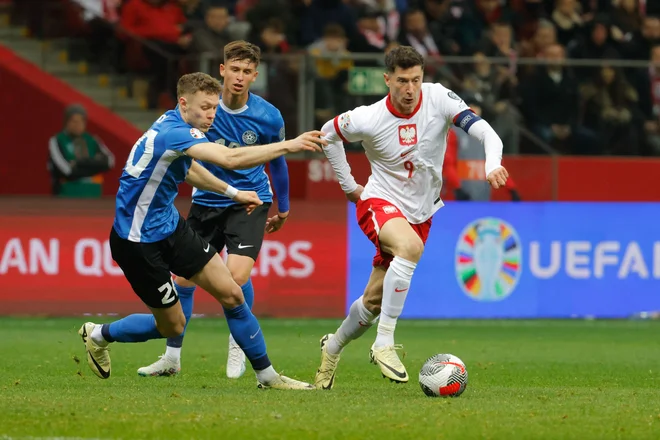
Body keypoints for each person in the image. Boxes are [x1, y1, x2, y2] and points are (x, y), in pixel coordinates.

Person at [78, 72, 326, 390]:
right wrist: (288, 145)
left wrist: (233, 194)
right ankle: (98, 334)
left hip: (170, 227)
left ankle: (268, 376)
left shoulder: (175, 126)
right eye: (205, 107)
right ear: (184, 103)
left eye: (214, 107)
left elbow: (190, 169)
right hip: (138, 241)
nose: (211, 114)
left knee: (233, 294)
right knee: (171, 325)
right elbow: (231, 158)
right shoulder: (174, 133)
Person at [314, 46, 508, 389]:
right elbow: (327, 134)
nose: (409, 89)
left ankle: (331, 348)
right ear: (387, 79)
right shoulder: (368, 117)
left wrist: (492, 163)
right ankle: (384, 342)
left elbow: (485, 132)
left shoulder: (438, 98)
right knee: (410, 246)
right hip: (379, 202)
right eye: (402, 81)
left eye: (415, 80)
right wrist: (348, 185)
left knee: (373, 301)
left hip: (422, 211)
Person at [137, 41, 291, 379]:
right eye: (233, 69)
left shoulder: (268, 116)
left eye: (246, 71)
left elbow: (277, 162)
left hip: (248, 202)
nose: (239, 77)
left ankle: (239, 342)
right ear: (222, 70)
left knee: (236, 277)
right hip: (206, 202)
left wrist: (285, 206)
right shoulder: (202, 109)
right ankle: (172, 357)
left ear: (255, 75)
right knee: (183, 280)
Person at [48, 104, 115, 198]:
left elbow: (110, 162)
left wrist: (79, 163)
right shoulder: (57, 140)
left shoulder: (93, 140)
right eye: (74, 121)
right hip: (67, 196)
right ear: (66, 122)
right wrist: (95, 165)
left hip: (94, 195)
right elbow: (67, 170)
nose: (77, 125)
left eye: (81, 121)